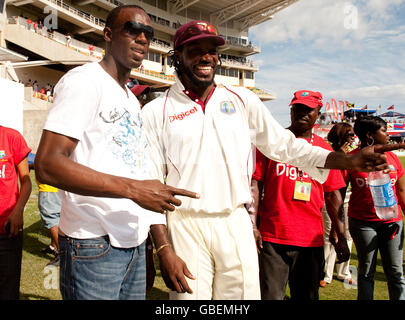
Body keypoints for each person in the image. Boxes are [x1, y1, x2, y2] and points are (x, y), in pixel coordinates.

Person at [141, 20, 402, 300]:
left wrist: (347, 162)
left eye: (211, 50)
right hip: (186, 222)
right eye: (195, 50)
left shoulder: (242, 99)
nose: (206, 57)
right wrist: (164, 249)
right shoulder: (157, 111)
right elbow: (150, 182)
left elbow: (286, 147)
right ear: (177, 56)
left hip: (234, 220)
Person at [34, 5, 198, 300]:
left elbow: (134, 171)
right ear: (108, 34)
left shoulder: (131, 100)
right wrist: (134, 190)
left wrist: (158, 244)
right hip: (92, 244)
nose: (142, 39)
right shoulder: (84, 82)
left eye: (148, 33)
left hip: (133, 243)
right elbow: (47, 164)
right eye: (132, 29)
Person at [251, 90, 349, 300]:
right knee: (270, 297)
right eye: (298, 108)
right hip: (272, 237)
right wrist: (252, 226)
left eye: (308, 110)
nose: (302, 114)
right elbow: (255, 184)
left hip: (310, 241)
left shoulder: (324, 150)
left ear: (318, 113)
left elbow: (334, 196)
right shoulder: (272, 143)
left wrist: (341, 236)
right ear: (291, 110)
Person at [343, 116, 405, 300]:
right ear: (369, 135)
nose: (388, 134)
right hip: (363, 223)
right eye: (384, 130)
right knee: (366, 271)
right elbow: (337, 193)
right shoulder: (351, 159)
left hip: (392, 223)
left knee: (395, 272)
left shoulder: (393, 158)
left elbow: (401, 190)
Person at [320, 123, 357, 288]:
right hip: (330, 198)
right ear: (341, 136)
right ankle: (326, 274)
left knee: (347, 235)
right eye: (349, 134)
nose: (353, 138)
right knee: (330, 235)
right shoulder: (328, 154)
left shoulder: (351, 155)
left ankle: (344, 272)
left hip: (347, 198)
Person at [0, 125, 32, 300]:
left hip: (7, 229)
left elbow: (26, 181)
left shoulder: (11, 137)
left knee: (8, 290)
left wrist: (18, 211)